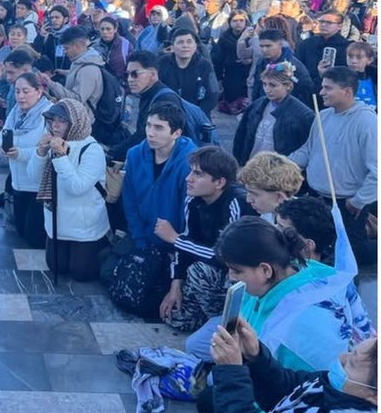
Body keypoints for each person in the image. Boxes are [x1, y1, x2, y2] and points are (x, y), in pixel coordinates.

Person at [214, 217, 369, 371]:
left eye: (236, 271)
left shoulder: (300, 328)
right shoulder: (294, 272)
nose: (230, 276)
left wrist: (234, 366)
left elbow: (302, 383)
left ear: (266, 270)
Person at [111, 103, 196, 318]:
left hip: (174, 242)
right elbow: (130, 200)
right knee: (110, 275)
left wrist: (175, 244)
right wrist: (140, 240)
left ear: (176, 133)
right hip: (143, 236)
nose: (150, 132)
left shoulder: (189, 162)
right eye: (148, 125)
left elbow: (188, 213)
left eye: (158, 127)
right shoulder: (135, 154)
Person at [289, 66, 377, 265]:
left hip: (348, 203)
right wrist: (281, 164)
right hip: (317, 198)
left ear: (347, 91)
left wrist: (359, 200)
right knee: (321, 251)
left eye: (328, 88)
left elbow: (377, 170)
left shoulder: (367, 122)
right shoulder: (323, 116)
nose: (321, 92)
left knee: (352, 254)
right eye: (322, 87)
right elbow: (308, 151)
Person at [155, 145, 245, 332]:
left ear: (219, 182)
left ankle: (222, 322)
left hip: (234, 276)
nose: (188, 179)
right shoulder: (193, 199)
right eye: (191, 172)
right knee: (174, 317)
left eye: (198, 174)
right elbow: (187, 240)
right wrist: (176, 284)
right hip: (206, 268)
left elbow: (227, 257)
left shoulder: (236, 202)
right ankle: (203, 317)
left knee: (199, 271)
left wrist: (175, 239)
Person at [210, 319, 377, 413]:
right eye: (351, 351)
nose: (341, 358)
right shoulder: (337, 389)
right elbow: (289, 387)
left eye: (351, 363)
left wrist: (231, 374)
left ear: (375, 397)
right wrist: (256, 356)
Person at [29, 95, 108, 281]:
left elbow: (77, 187)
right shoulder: (52, 142)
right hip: (57, 222)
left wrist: (60, 157)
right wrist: (40, 152)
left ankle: (103, 248)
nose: (55, 125)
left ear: (75, 122)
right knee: (56, 266)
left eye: (62, 121)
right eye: (52, 120)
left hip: (83, 225)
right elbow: (33, 178)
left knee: (82, 274)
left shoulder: (92, 149)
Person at [0, 71, 52, 247]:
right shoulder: (15, 113)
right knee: (20, 232)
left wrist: (20, 153)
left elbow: (47, 149)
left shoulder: (48, 114)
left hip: (38, 187)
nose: (20, 96)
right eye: (17, 91)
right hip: (18, 184)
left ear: (38, 91)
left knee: (34, 238)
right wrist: (2, 148)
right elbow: (0, 139)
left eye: (26, 91)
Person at [232, 62, 315, 164]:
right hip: (253, 164)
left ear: (288, 86)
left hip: (280, 168)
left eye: (273, 85)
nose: (267, 89)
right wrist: (241, 161)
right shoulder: (257, 105)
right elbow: (242, 135)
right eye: (264, 84)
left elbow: (307, 148)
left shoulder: (303, 115)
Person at [158, 26, 219, 114]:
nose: (185, 46)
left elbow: (213, 94)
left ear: (195, 46)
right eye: (180, 42)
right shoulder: (162, 63)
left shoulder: (205, 66)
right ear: (172, 47)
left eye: (189, 42)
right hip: (166, 114)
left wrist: (196, 114)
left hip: (197, 114)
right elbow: (155, 90)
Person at [237, 150, 304, 219]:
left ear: (279, 197)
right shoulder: (268, 214)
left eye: (255, 194)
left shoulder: (303, 222)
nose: (248, 200)